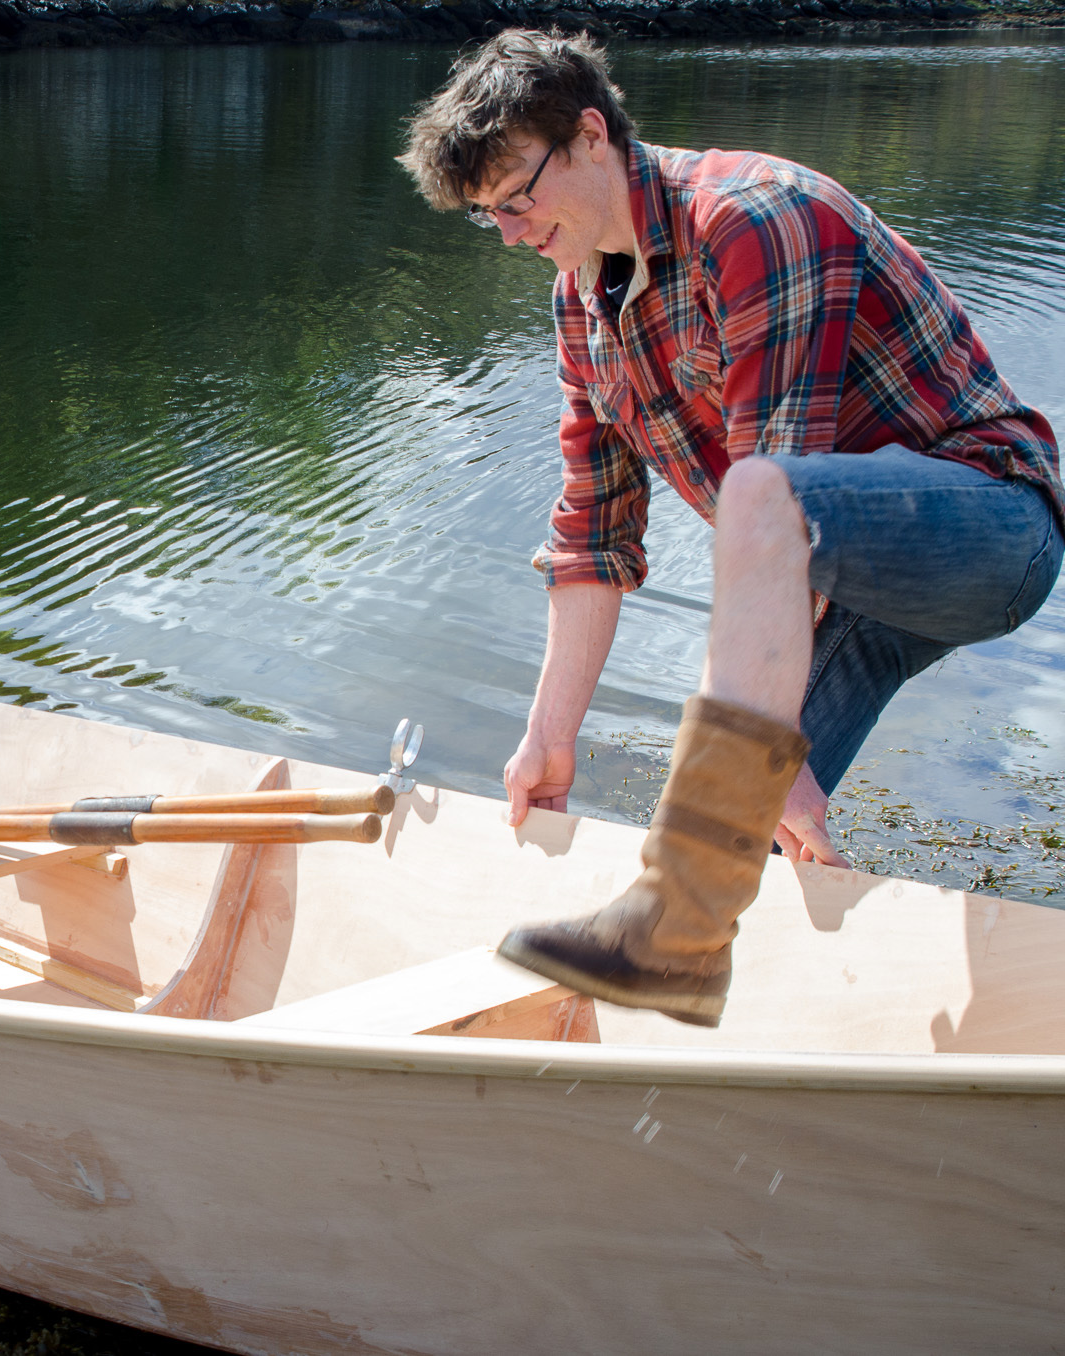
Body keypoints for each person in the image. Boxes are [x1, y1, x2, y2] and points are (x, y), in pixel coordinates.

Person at [397, 32, 1063, 1026]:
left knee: (750, 586)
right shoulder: (581, 299)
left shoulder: (751, 219)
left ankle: (686, 912)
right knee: (718, 829)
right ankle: (707, 991)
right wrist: (547, 737)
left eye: (516, 195)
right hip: (846, 589)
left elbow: (773, 492)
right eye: (484, 214)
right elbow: (592, 536)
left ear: (589, 136)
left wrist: (770, 745)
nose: (505, 229)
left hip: (988, 531)